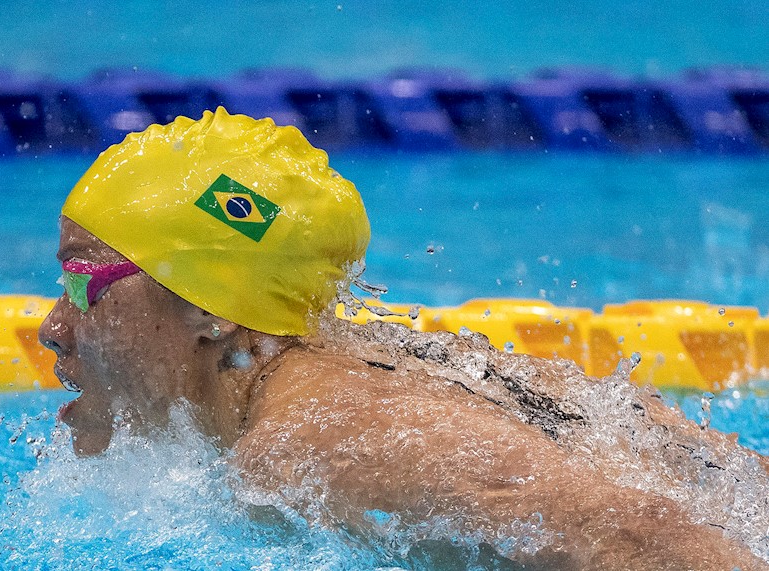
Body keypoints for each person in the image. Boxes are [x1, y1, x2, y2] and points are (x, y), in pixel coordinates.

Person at [38, 107, 769, 570]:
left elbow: (638, 532)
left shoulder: (308, 439)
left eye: (81, 283)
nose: (52, 326)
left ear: (213, 310)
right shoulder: (365, 369)